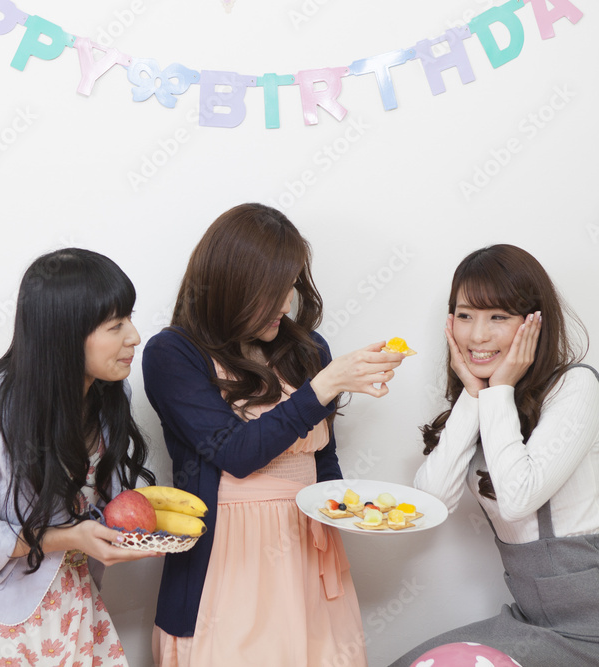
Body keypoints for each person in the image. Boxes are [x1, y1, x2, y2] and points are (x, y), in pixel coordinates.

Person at [143, 203, 406, 666]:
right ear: (233, 287)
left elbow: (323, 457)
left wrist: (347, 510)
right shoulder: (172, 353)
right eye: (272, 292)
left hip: (309, 551)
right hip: (230, 560)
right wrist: (324, 386)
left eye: (290, 288)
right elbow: (236, 453)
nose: (286, 306)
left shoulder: (308, 349)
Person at [390, 244, 599, 666]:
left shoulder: (574, 387)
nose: (477, 335)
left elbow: (518, 498)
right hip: (535, 622)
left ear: (534, 323)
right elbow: (429, 503)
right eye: (465, 315)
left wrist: (500, 389)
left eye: (498, 317)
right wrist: (474, 395)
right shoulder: (487, 402)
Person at [0, 248, 158, 667]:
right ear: (64, 334)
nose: (134, 336)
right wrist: (67, 538)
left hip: (69, 606)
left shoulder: (111, 396)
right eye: (116, 325)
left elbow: (91, 504)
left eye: (129, 318)